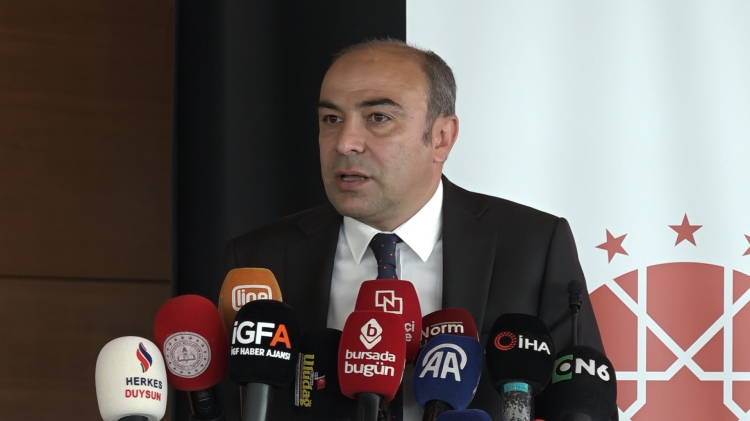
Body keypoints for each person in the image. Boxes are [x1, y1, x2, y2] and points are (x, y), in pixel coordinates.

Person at [219, 39, 606, 420]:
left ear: (441, 138)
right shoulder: (258, 259)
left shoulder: (533, 246)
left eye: (378, 118)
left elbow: (579, 405)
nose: (345, 143)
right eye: (331, 119)